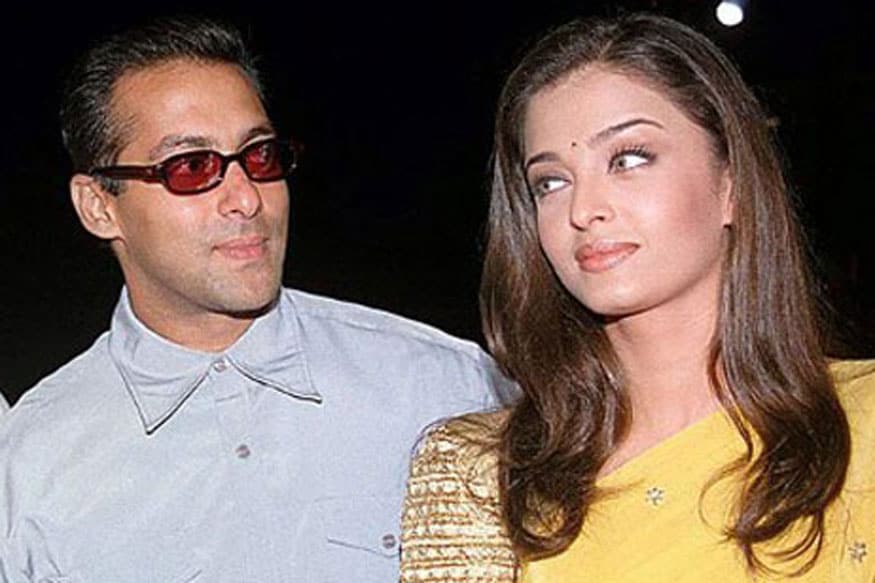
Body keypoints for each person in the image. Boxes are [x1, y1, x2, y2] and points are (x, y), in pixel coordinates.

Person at [0, 16, 510, 582]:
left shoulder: (444, 389)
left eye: (260, 156)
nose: (245, 198)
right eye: (192, 167)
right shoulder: (30, 460)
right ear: (99, 206)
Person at [401, 13, 875, 582]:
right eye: (550, 182)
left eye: (628, 158)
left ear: (730, 185)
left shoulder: (864, 421)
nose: (583, 209)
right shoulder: (482, 473)